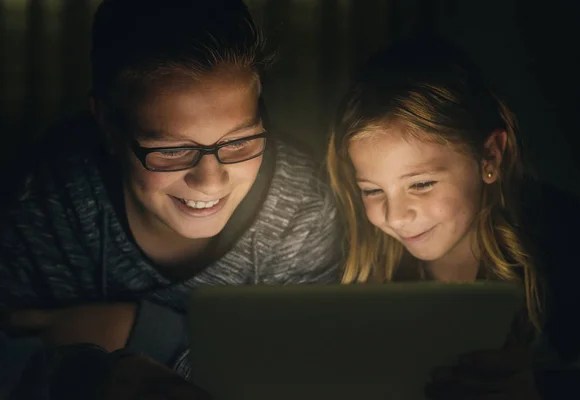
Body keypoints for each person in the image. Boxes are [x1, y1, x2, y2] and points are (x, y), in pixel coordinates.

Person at [0, 0, 342, 397]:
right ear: (107, 125)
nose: (210, 181)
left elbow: (305, 374)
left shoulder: (301, 212)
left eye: (238, 142)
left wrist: (139, 333)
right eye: (174, 150)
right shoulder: (46, 199)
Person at [327, 34, 580, 399]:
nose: (395, 216)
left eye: (421, 184)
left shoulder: (562, 243)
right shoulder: (356, 262)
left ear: (489, 157)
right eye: (373, 190)